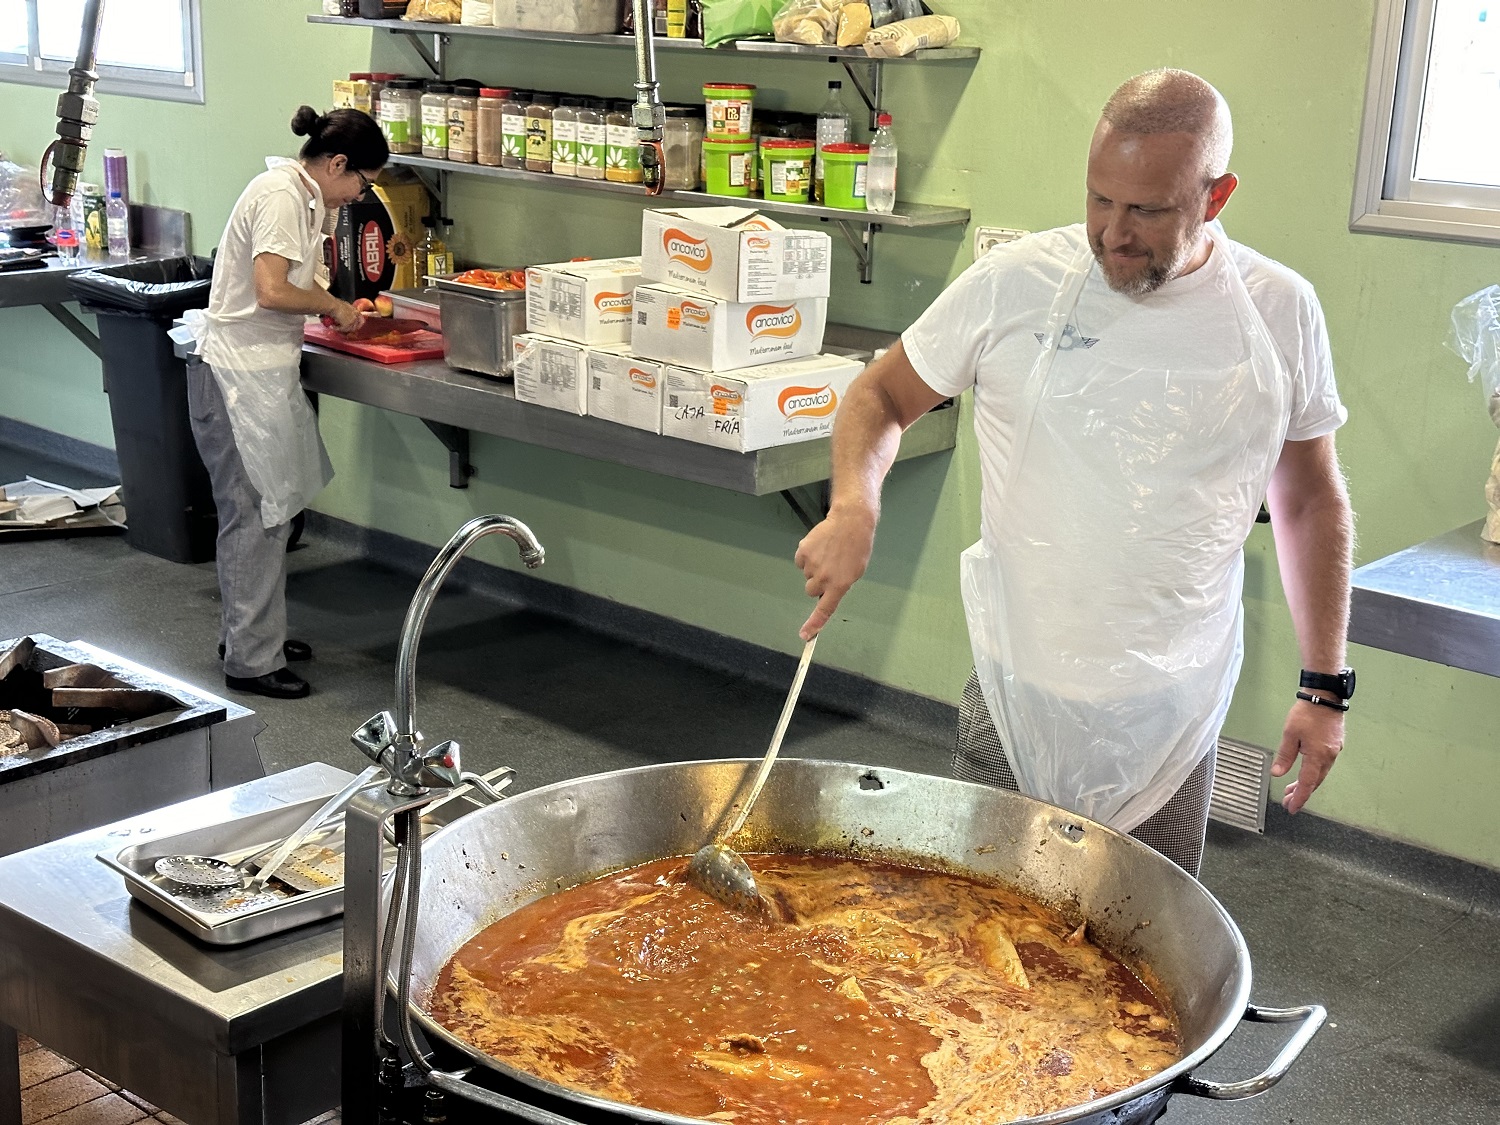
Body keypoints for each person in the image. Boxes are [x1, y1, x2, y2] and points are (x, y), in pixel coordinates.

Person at [794, 70, 1353, 877]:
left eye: (1148, 211)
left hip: (1170, 707)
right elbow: (881, 393)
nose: (1114, 234)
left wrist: (1325, 685)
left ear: (1217, 196)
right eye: (1100, 200)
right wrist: (855, 504)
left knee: (1136, 954)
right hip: (1018, 682)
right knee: (978, 934)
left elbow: (1307, 503)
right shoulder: (1020, 282)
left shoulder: (1278, 312)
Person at [189, 106, 388, 700]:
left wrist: (340, 302)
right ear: (337, 164)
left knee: (273, 515)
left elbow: (298, 280)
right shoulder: (279, 195)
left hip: (261, 374)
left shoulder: (305, 200)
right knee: (255, 519)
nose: (358, 196)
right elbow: (271, 290)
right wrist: (333, 309)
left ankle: (253, 634)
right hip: (235, 377)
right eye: (361, 183)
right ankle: (251, 660)